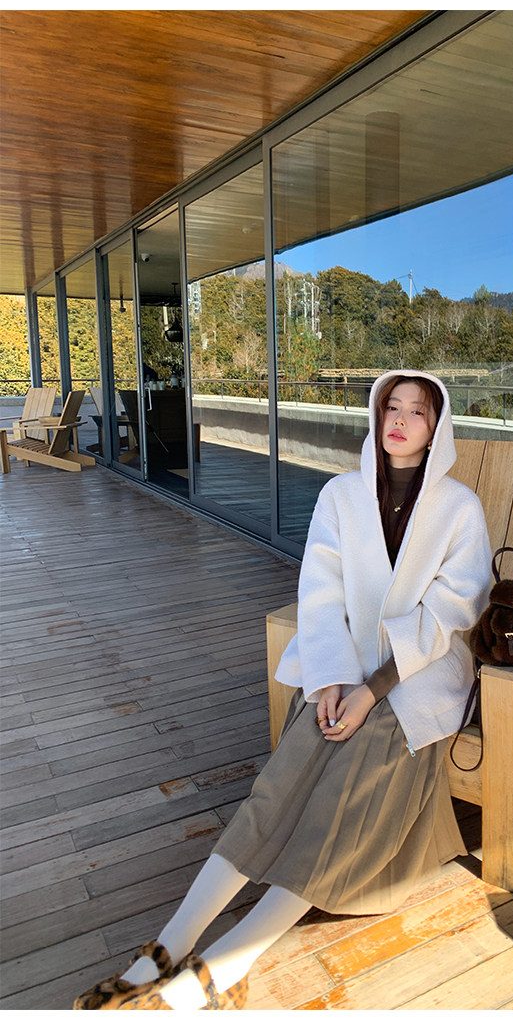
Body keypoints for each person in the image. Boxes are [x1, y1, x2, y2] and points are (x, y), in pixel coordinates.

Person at [74, 369, 491, 1010]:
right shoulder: (341, 495)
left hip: (417, 675)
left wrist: (374, 689)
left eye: (418, 411)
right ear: (377, 415)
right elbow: (319, 594)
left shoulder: (459, 507)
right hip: (345, 664)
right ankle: (169, 944)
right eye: (393, 406)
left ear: (438, 429)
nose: (402, 420)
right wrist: (334, 678)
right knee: (283, 780)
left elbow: (451, 612)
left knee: (341, 796)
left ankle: (228, 962)